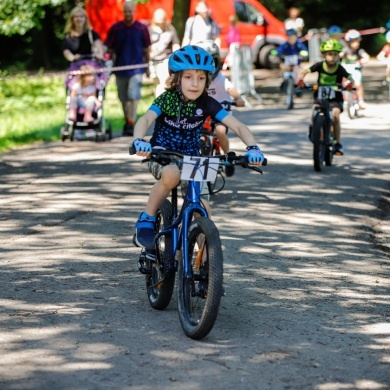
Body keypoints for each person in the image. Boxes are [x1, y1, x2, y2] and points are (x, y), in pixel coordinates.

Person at [131, 45, 265, 249]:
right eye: (188, 77)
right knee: (172, 174)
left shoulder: (208, 103)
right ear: (177, 78)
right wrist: (139, 140)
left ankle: (204, 260)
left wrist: (253, 148)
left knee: (203, 208)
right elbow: (145, 119)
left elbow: (237, 125)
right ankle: (147, 219)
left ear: (207, 80)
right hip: (162, 154)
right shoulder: (167, 99)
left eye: (201, 78)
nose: (195, 84)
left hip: (193, 158)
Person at [196, 39, 245, 177]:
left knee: (220, 131)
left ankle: (227, 155)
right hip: (202, 111)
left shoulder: (219, 78)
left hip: (221, 111)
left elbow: (230, 89)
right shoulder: (198, 78)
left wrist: (238, 99)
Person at [298, 39, 354, 156]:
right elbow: (305, 71)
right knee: (314, 112)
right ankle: (314, 131)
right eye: (329, 54)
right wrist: (301, 80)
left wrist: (349, 84)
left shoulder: (339, 68)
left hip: (335, 97)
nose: (332, 57)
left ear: (338, 55)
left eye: (335, 54)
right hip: (320, 96)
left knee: (335, 115)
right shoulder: (319, 66)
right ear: (324, 55)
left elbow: (349, 78)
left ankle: (337, 143)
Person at [105, 0, 151, 136]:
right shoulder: (116, 29)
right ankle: (128, 121)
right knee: (123, 98)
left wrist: (147, 66)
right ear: (123, 12)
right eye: (125, 11)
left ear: (134, 12)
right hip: (120, 68)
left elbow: (146, 49)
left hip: (137, 68)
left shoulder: (142, 28)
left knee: (133, 96)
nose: (128, 14)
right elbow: (109, 48)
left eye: (130, 11)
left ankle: (131, 123)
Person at [149, 8, 180, 97]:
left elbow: (175, 43)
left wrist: (177, 55)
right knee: (156, 82)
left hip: (165, 59)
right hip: (153, 60)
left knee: (162, 82)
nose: (161, 21)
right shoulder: (150, 30)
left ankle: (161, 103)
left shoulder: (170, 29)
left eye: (162, 18)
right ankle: (158, 101)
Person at [340, 29, 370, 109]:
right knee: (342, 83)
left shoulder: (360, 51)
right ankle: (343, 99)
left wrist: (363, 60)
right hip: (346, 70)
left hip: (356, 70)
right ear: (348, 42)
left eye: (357, 41)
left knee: (358, 84)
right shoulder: (346, 50)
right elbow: (340, 55)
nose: (356, 44)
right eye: (353, 42)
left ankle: (361, 100)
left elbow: (366, 57)